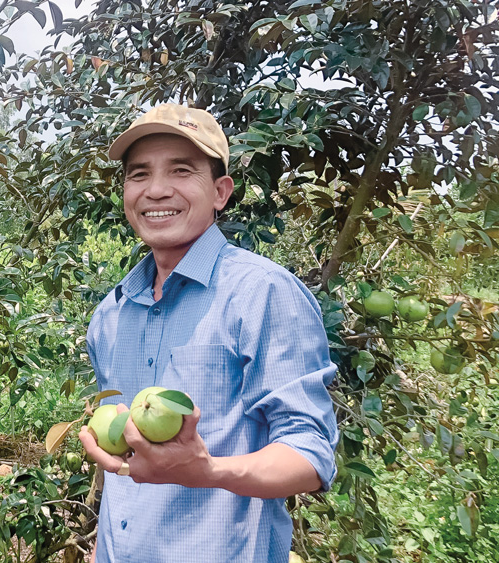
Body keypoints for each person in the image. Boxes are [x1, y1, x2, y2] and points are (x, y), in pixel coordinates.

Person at [78, 104, 339, 562]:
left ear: (220, 192)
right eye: (139, 175)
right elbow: (127, 457)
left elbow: (309, 455)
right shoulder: (111, 314)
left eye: (181, 171)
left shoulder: (262, 294)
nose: (156, 190)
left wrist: (206, 470)